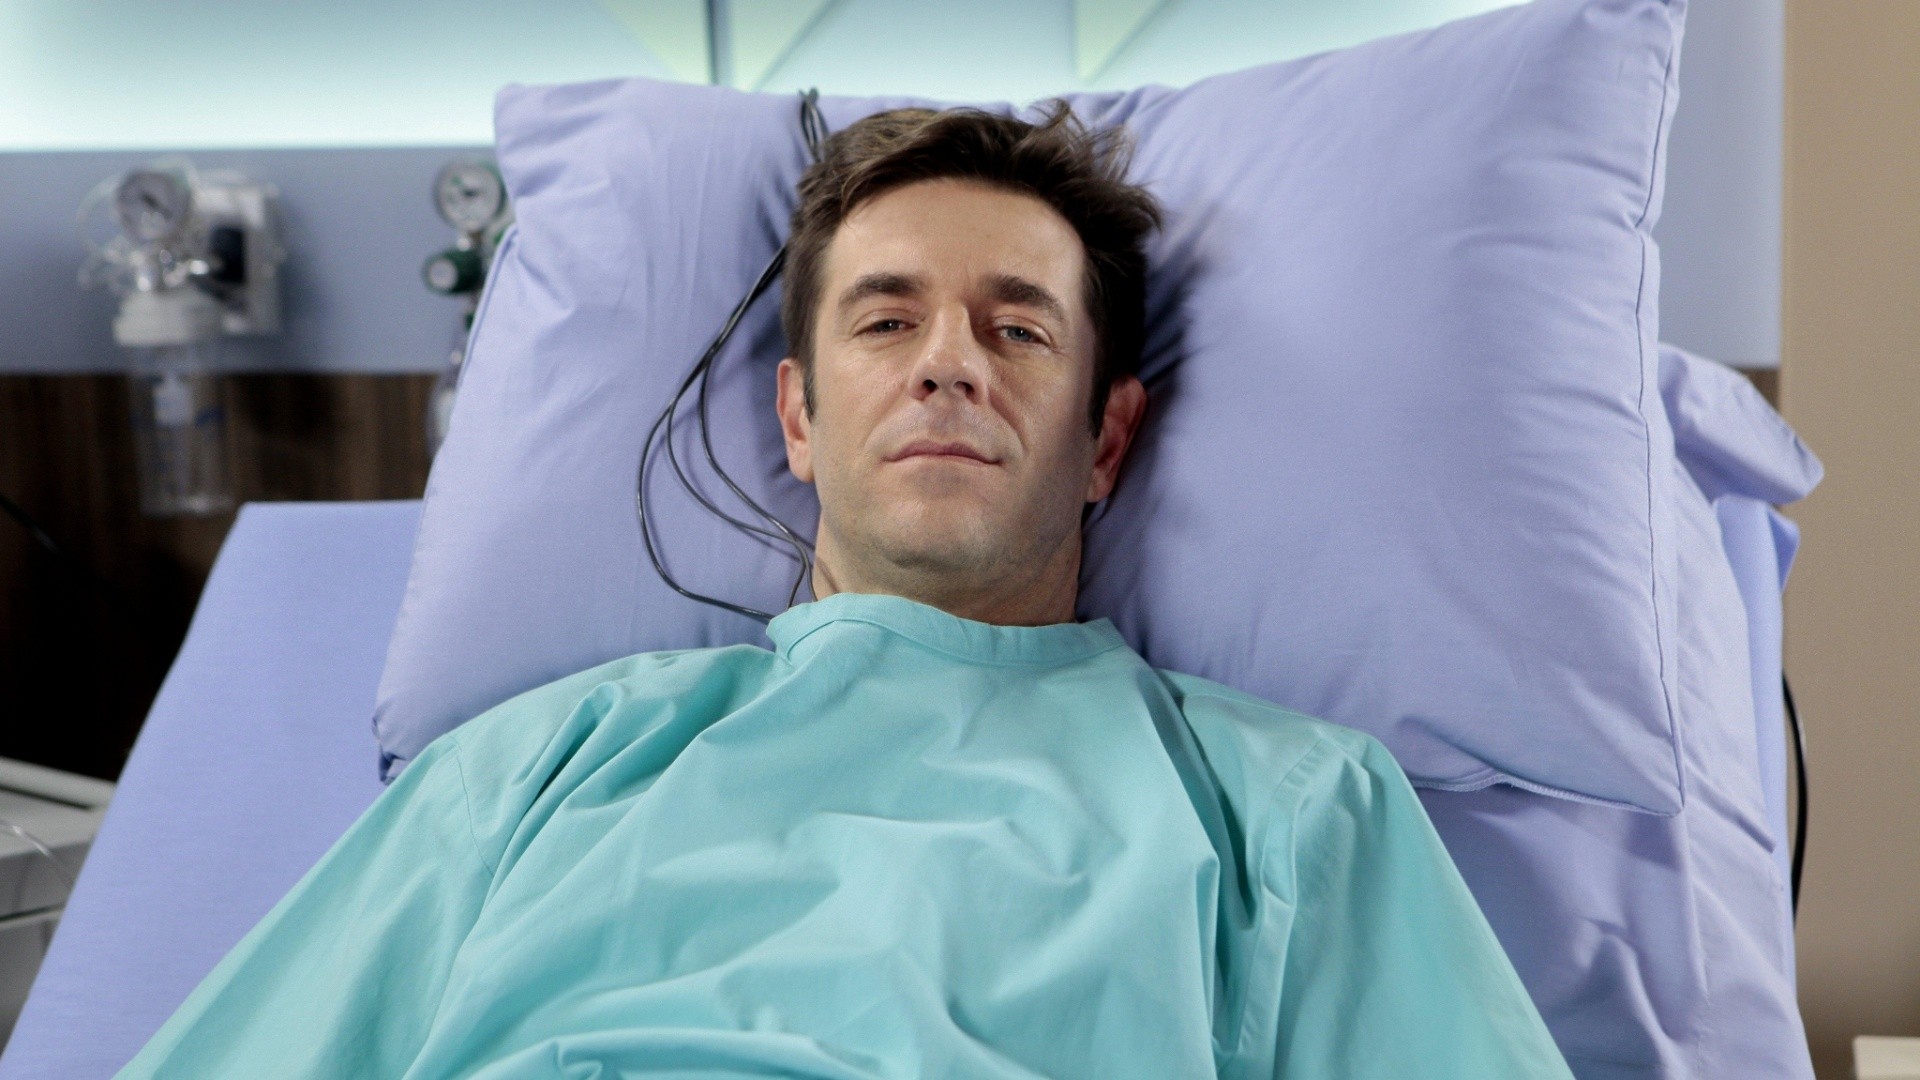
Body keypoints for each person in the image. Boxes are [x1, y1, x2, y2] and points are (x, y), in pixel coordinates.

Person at [118, 104, 1574, 1079]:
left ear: (1106, 441)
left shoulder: (1286, 810)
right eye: (887, 321)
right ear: (799, 420)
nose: (949, 363)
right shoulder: (542, 767)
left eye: (1018, 330)